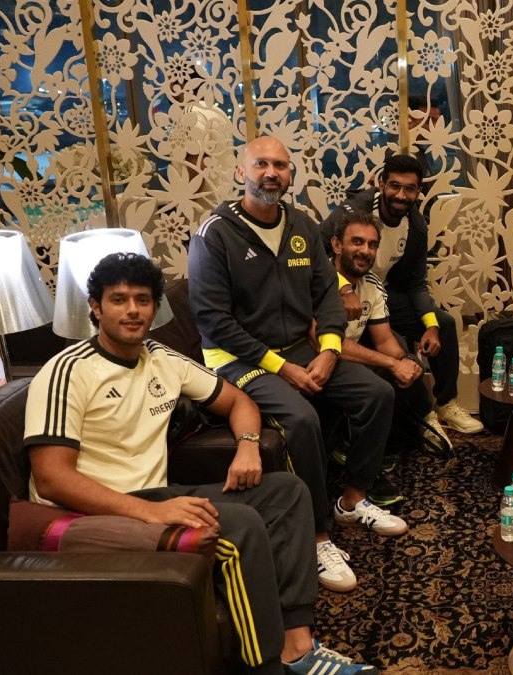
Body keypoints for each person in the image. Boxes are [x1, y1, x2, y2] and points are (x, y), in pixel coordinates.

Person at [24, 252, 377, 675]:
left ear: (155, 308)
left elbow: (239, 401)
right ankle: (265, 666)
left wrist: (248, 446)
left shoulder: (161, 358)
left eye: (142, 300)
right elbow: (52, 477)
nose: (133, 310)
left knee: (288, 493)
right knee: (241, 526)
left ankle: (297, 649)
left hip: (156, 495)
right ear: (96, 308)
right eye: (118, 300)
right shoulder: (67, 370)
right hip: (94, 513)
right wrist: (150, 512)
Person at [189, 136, 408, 594]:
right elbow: (213, 321)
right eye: (261, 164)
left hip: (299, 349)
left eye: (281, 165)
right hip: (237, 359)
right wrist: (281, 367)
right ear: (241, 172)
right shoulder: (215, 233)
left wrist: (329, 350)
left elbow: (327, 293)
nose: (272, 173)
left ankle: (353, 500)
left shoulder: (302, 225)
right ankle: (317, 537)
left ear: (290, 174)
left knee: (377, 393)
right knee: (303, 418)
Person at [321, 153, 483, 443]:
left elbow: (416, 284)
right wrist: (343, 288)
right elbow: (316, 255)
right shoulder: (354, 212)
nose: (401, 195)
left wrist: (430, 325)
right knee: (396, 351)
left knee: (443, 323)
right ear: (381, 184)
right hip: (340, 290)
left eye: (410, 189)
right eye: (395, 186)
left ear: (418, 192)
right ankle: (422, 416)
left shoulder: (416, 226)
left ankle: (446, 404)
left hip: (383, 293)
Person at [328, 209, 435, 504]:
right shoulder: (319, 281)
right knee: (381, 385)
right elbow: (331, 344)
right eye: (357, 242)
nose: (365, 251)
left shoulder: (372, 286)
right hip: (320, 360)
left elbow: (384, 339)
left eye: (372, 244)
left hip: (349, 360)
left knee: (404, 373)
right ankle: (365, 476)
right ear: (336, 245)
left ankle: (356, 446)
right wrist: (391, 363)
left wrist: (406, 360)